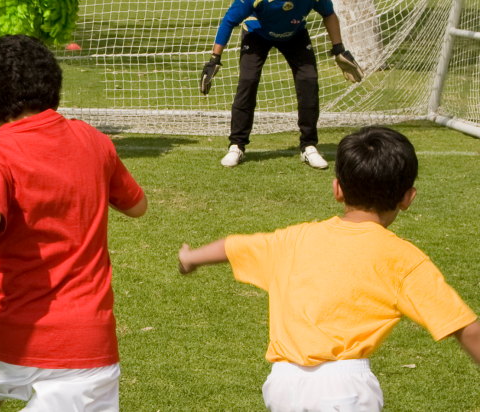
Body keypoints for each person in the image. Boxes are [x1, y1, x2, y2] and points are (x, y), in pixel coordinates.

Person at [178, 126, 480, 412]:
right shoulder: (404, 259)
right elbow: (466, 329)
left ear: (337, 189)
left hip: (283, 384)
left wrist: (191, 258)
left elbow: (233, 246)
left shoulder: (294, 238)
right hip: (345, 387)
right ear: (408, 198)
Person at [0, 35, 148, 411]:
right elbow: (138, 206)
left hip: (3, 330)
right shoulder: (95, 141)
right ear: (52, 90)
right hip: (84, 344)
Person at [199, 0, 364, 170]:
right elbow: (230, 20)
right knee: (248, 82)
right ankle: (237, 145)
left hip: (295, 35)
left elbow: (329, 14)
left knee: (309, 81)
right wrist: (214, 59)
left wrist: (339, 49)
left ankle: (308, 146)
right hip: (257, 33)